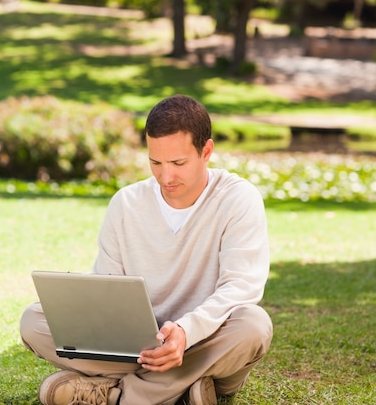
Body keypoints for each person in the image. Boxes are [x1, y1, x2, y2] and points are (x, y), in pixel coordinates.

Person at [20, 94, 273, 405]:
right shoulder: (126, 203)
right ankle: (186, 390)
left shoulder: (238, 199)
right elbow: (108, 291)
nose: (166, 177)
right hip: (139, 345)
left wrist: (185, 331)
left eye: (178, 163)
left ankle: (116, 396)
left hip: (205, 339)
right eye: (156, 162)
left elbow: (242, 287)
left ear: (206, 151)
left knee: (253, 326)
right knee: (34, 320)